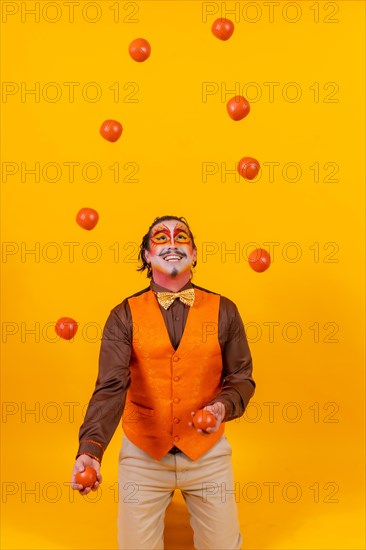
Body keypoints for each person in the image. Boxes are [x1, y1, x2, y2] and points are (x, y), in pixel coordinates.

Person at [71, 215, 255, 550]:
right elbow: (110, 388)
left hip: (207, 455)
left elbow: (241, 379)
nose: (172, 242)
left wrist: (221, 407)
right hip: (143, 456)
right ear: (147, 255)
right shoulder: (122, 315)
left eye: (181, 236)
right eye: (161, 237)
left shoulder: (224, 310)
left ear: (194, 253)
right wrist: (91, 450)